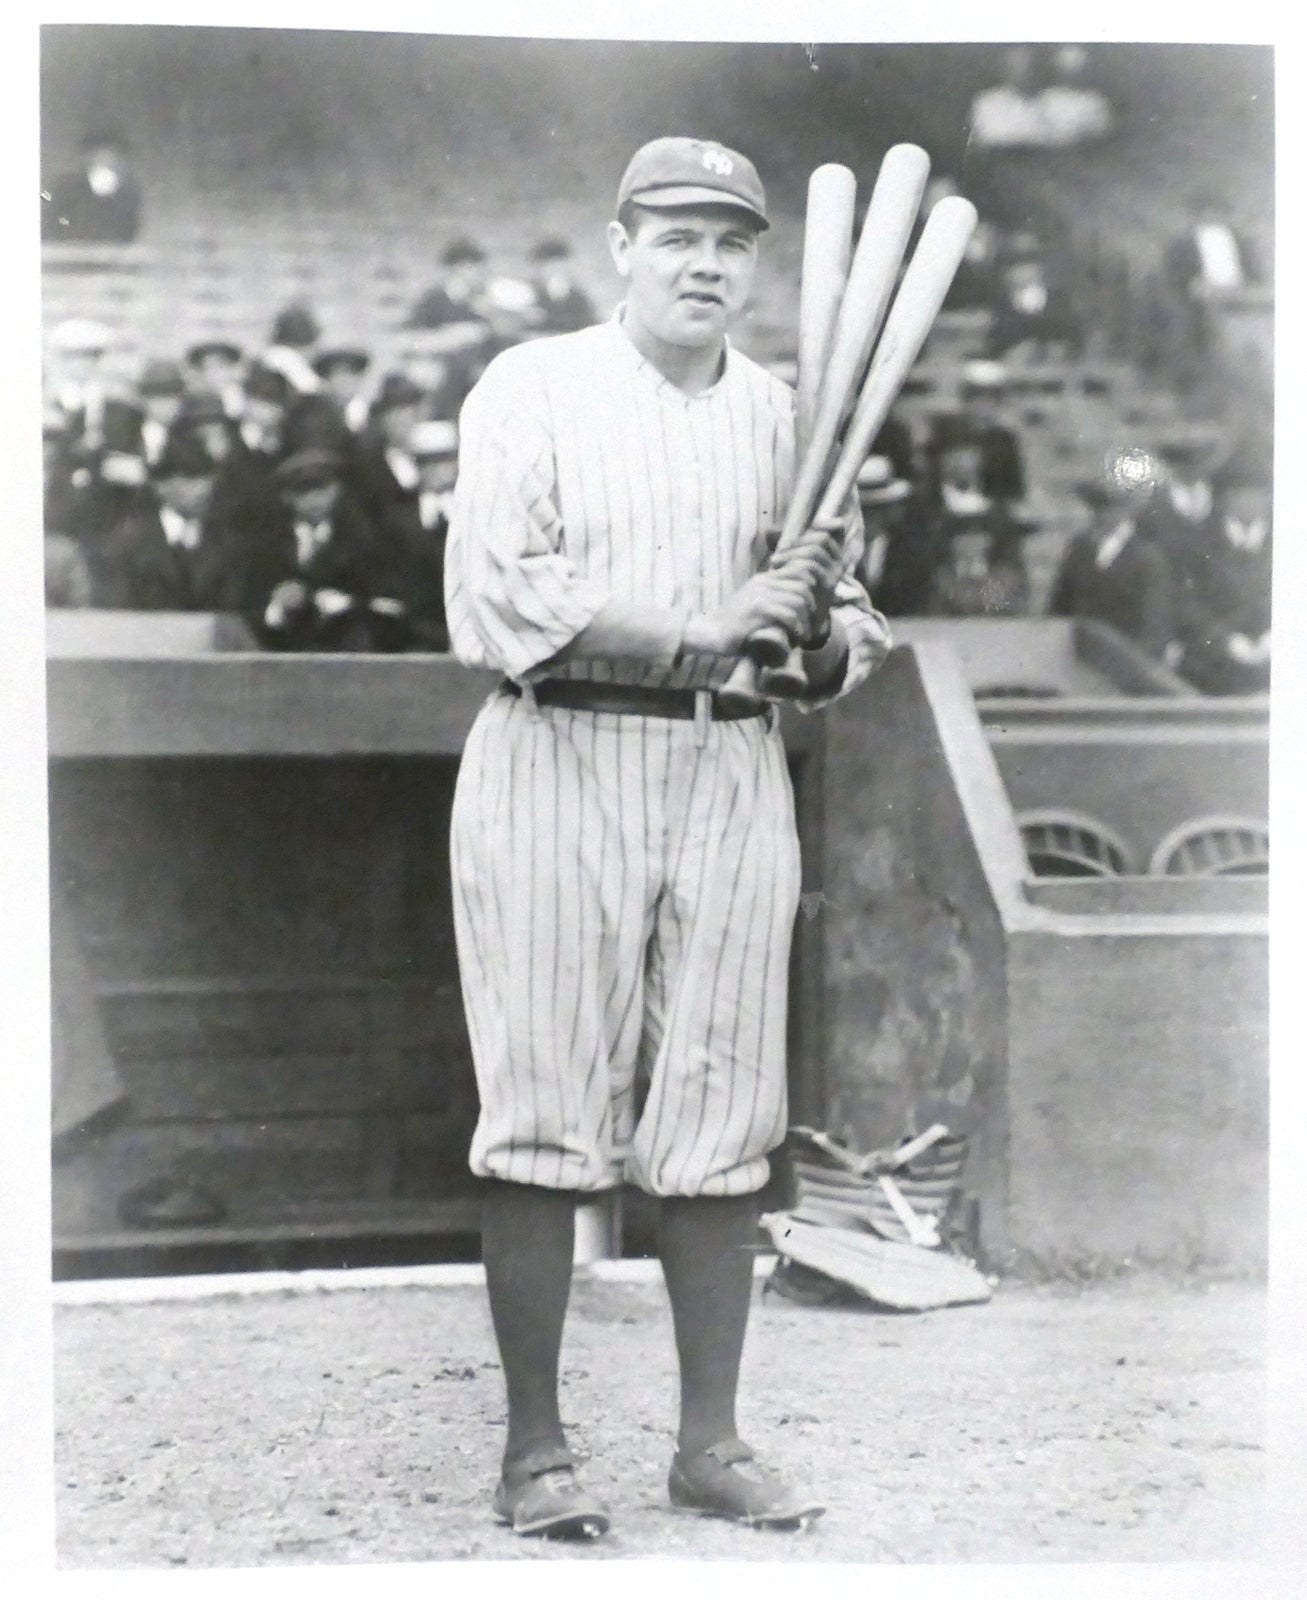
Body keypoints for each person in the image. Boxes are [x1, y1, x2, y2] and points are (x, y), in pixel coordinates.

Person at [446, 134, 889, 1541]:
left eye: (729, 242)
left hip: (728, 769)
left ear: (753, 265)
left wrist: (813, 634)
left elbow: (849, 628)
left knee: (718, 1113)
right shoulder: (533, 384)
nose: (704, 262)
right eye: (675, 235)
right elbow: (500, 598)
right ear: (619, 246)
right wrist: (711, 627)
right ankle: (534, 1450)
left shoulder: (789, 417)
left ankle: (710, 1441)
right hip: (559, 747)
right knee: (541, 1110)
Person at [232, 446, 395, 651]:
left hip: (348, 647)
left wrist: (349, 605)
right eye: (303, 492)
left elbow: (387, 602)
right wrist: (277, 605)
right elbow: (248, 600)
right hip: (283, 649)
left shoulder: (361, 540)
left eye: (322, 490)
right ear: (287, 498)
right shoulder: (267, 545)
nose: (314, 501)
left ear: (337, 491)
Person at [94, 430, 243, 612]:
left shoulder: (224, 540)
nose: (204, 489)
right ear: (161, 486)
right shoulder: (129, 541)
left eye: (208, 479)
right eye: (191, 479)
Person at [1049, 449, 1174, 658]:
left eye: (1113, 507)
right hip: (1079, 656)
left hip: (1125, 660)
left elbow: (1155, 626)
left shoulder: (1146, 558)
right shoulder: (1080, 548)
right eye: (1098, 508)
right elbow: (1059, 608)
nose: (1104, 515)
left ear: (1128, 510)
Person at [1169, 453, 1272, 695]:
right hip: (1214, 666)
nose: (1251, 501)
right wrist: (1226, 641)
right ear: (1224, 499)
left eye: (1260, 493)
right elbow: (1184, 603)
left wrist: (1274, 636)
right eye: (1240, 493)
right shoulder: (1196, 542)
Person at [376, 418, 458, 649]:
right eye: (426, 462)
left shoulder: (475, 510)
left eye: (445, 459)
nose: (436, 469)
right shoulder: (397, 513)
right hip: (416, 630)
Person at [927, 360, 1026, 504]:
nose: (985, 403)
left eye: (994, 396)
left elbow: (1012, 490)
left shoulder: (1004, 439)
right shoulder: (945, 431)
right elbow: (931, 480)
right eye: (976, 395)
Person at [42, 129, 143, 243]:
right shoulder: (66, 186)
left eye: (111, 153)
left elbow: (129, 229)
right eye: (99, 153)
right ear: (89, 156)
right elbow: (53, 221)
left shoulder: (128, 192)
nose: (106, 158)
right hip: (71, 252)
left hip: (113, 254)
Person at [523, 237, 600, 335]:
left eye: (559, 266)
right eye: (550, 267)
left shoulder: (578, 299)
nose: (555, 271)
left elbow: (591, 328)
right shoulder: (530, 296)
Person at [313, 347, 373, 432]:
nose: (346, 382)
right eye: (340, 376)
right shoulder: (317, 414)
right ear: (328, 380)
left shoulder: (366, 413)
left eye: (352, 375)